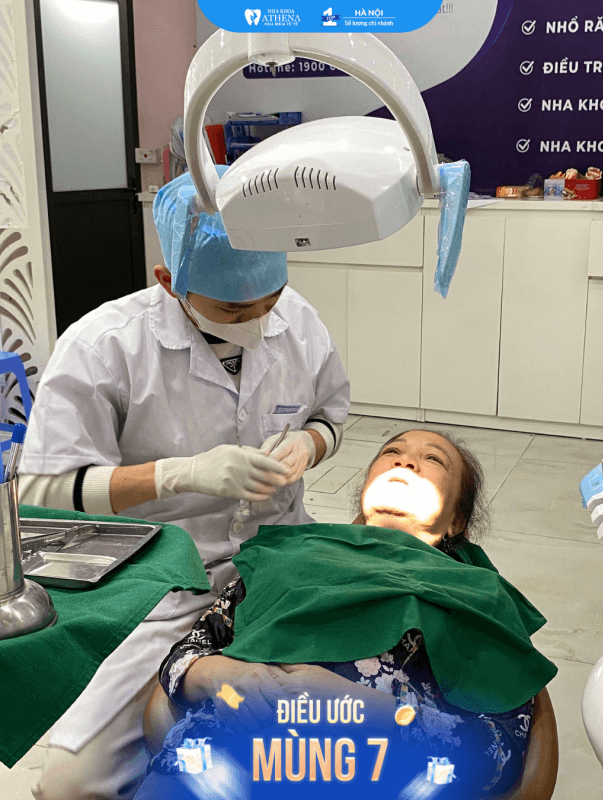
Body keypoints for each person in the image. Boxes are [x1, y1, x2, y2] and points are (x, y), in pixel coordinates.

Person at [18, 168, 350, 800]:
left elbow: (332, 416)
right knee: (75, 784)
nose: (257, 322)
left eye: (269, 301)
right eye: (232, 310)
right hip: (160, 578)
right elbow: (44, 490)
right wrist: (177, 475)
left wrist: (310, 443)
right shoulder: (103, 348)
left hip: (281, 558)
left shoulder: (298, 321)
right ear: (168, 281)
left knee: (318, 733)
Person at [139, 429, 558, 799]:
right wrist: (220, 675)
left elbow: (498, 752)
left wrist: (375, 712)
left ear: (456, 520)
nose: (406, 461)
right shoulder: (282, 558)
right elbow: (186, 655)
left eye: (433, 458)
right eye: (392, 452)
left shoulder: (477, 596)